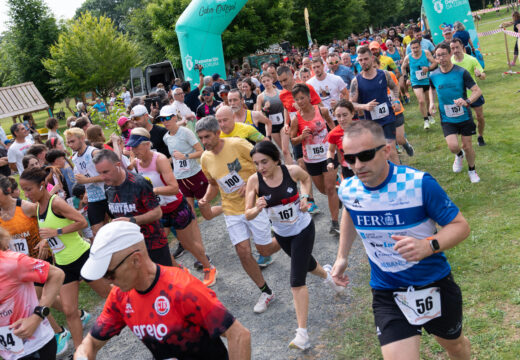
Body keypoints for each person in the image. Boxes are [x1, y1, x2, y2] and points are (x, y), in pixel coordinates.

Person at [332, 120, 471, 360]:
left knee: (454, 346)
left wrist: (428, 245)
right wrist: (342, 256)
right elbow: (349, 212)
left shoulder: (418, 184)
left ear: (386, 150)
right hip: (387, 290)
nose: (358, 165)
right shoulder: (349, 188)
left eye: (365, 155)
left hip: (433, 283)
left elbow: (461, 226)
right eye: (350, 158)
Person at [74, 222, 251, 360]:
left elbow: (239, 335)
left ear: (136, 260)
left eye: (110, 274)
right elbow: (91, 342)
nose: (107, 281)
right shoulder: (120, 296)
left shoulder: (183, 289)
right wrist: (82, 355)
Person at [245, 141, 344, 350]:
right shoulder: (254, 181)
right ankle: (329, 277)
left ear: (276, 160)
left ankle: (302, 334)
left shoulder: (291, 171)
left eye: (264, 162)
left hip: (303, 229)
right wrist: (257, 207)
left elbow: (306, 178)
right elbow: (248, 213)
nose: (261, 167)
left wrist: (306, 197)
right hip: (282, 234)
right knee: (307, 264)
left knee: (296, 280)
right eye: (256, 163)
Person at [19, 167, 111, 351]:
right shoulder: (38, 208)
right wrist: (46, 240)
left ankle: (139, 309)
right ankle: (80, 351)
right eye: (24, 190)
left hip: (81, 257)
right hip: (63, 264)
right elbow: (52, 228)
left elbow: (82, 222)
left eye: (29, 189)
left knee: (108, 294)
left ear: (42, 185)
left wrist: (56, 232)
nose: (26, 194)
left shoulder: (56, 203)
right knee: (70, 311)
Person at [196, 116, 280, 313]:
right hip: (232, 210)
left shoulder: (239, 145)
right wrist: (206, 199)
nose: (204, 142)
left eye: (207, 136)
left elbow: (266, 165)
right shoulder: (205, 158)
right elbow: (214, 184)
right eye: (201, 138)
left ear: (218, 133)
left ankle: (289, 236)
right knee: (243, 252)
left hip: (254, 205)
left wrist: (251, 183)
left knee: (265, 250)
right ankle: (266, 292)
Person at [128, 127, 216, 286]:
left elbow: (174, 188)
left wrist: (152, 190)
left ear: (147, 144)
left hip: (176, 207)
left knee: (188, 244)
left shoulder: (159, 159)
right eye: (131, 147)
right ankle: (181, 271)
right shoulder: (137, 163)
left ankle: (209, 267)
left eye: (136, 147)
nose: (133, 150)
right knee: (157, 246)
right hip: (159, 212)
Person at [0, 226, 65, 360]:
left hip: (36, 346)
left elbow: (56, 275)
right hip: (9, 352)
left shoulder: (13, 263)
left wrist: (37, 316)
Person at [289, 84, 340, 234]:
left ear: (309, 97)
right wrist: (301, 137)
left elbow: (333, 127)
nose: (300, 101)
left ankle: (335, 223)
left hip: (327, 155)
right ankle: (339, 196)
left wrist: (336, 143)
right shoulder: (296, 119)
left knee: (330, 189)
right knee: (323, 190)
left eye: (302, 98)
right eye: (297, 99)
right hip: (311, 159)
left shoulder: (322, 111)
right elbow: (293, 140)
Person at [429, 43, 483, 183]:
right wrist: (431, 103)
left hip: (464, 116)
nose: (441, 58)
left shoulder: (461, 72)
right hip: (447, 117)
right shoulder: (433, 75)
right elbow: (432, 89)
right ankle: (459, 155)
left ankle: (472, 170)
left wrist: (467, 101)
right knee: (453, 146)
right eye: (438, 55)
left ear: (450, 55)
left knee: (467, 146)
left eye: (444, 54)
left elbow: (477, 91)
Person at [277, 65, 321, 213]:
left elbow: (319, 106)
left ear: (291, 75)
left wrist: (302, 108)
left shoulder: (306, 88)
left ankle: (332, 175)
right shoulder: (282, 94)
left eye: (285, 79)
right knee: (301, 164)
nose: (283, 84)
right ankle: (310, 201)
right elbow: (286, 108)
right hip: (296, 132)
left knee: (317, 161)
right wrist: (286, 123)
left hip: (313, 130)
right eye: (280, 81)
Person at [350, 46, 400, 164]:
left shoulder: (384, 74)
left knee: (391, 149)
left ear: (372, 58)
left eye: (366, 59)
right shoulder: (356, 81)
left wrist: (396, 100)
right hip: (370, 122)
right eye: (360, 60)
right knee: (379, 153)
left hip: (388, 117)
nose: (363, 62)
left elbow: (394, 87)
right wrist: (364, 106)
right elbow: (351, 104)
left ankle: (399, 177)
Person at [65, 127, 108, 237]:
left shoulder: (94, 153)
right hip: (93, 198)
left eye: (72, 141)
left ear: (82, 138)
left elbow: (109, 174)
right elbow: (85, 177)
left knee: (118, 225)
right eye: (68, 142)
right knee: (97, 232)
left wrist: (87, 180)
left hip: (108, 193)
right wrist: (86, 191)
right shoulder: (74, 158)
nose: (70, 145)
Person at [450, 38, 487, 146]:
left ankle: (480, 136)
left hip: (474, 94)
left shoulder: (471, 60)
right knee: (460, 120)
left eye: (457, 47)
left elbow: (483, 76)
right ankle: (464, 142)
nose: (455, 50)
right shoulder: (450, 61)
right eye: (452, 48)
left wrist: (479, 75)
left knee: (479, 117)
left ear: (462, 46)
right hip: (458, 96)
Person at [401, 39, 437, 129]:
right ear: (411, 49)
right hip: (415, 81)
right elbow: (403, 67)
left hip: (426, 80)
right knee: (421, 101)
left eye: (417, 47)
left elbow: (435, 63)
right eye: (413, 48)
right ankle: (425, 120)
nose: (415, 50)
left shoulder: (426, 53)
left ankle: (429, 115)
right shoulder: (408, 57)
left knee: (428, 100)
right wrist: (406, 78)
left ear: (420, 47)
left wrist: (428, 68)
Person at [255, 73, 289, 159]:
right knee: (282, 149)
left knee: (285, 150)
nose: (266, 83)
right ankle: (290, 163)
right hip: (272, 126)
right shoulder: (260, 97)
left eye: (268, 80)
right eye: (264, 81)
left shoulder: (281, 92)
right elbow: (258, 114)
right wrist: (264, 108)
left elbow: (287, 107)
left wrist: (287, 122)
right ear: (261, 83)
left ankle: (291, 166)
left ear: (272, 80)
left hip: (283, 123)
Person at [326, 100, 356, 180]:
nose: (342, 119)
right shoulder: (333, 133)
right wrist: (329, 162)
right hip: (347, 168)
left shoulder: (362, 127)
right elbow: (331, 150)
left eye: (345, 115)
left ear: (352, 114)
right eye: (338, 116)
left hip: (364, 165)